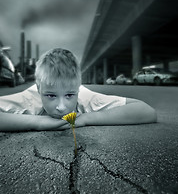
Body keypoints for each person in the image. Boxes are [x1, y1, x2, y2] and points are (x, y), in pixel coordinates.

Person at [0, 48, 157, 132]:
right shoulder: (30, 99)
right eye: (50, 95)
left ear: (77, 88)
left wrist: (86, 119)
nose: (61, 106)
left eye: (69, 95)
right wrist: (38, 122)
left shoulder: (85, 97)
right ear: (39, 88)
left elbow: (147, 111)